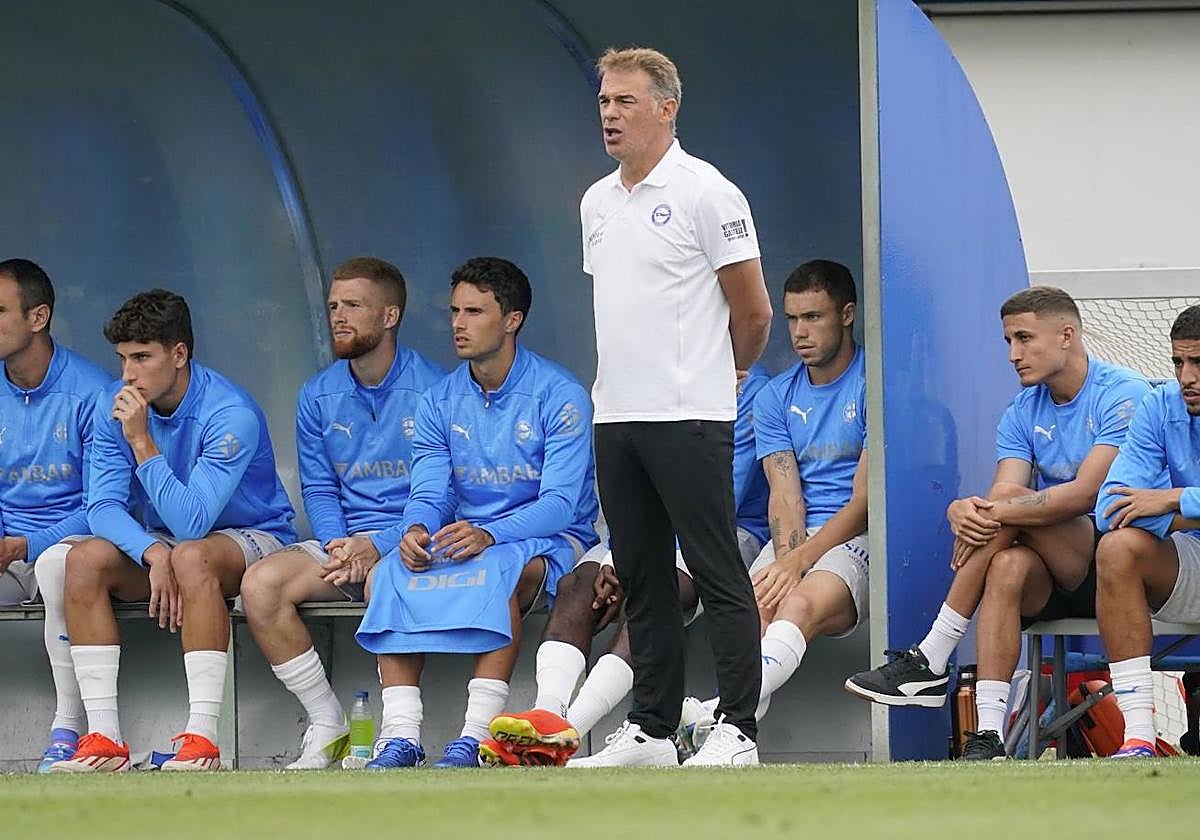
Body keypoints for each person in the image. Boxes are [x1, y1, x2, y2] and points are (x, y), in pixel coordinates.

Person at [845, 286, 1150, 760]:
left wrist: (984, 510)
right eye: (1008, 341)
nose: (1013, 355)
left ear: (1066, 335)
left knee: (1008, 508)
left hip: (1119, 562)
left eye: (1025, 339)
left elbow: (1086, 494)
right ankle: (988, 735)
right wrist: (967, 510)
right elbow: (1003, 494)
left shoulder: (1124, 395)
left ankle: (933, 654)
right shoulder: (1022, 410)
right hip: (1054, 570)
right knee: (1005, 564)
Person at [579, 46, 773, 768]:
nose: (609, 113)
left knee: (717, 571)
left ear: (667, 108)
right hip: (616, 417)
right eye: (604, 101)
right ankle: (653, 731)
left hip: (690, 414)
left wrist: (730, 372)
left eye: (625, 101)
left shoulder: (707, 192)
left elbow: (751, 311)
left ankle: (739, 729)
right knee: (641, 577)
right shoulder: (596, 201)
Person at [352, 257, 599, 769]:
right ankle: (400, 735)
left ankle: (476, 736)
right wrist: (418, 527)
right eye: (454, 311)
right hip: (469, 535)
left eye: (474, 311)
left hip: (550, 536)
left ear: (512, 320)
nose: (458, 324)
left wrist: (490, 533)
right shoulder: (440, 399)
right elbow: (430, 489)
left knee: (497, 572)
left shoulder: (560, 394)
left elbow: (559, 505)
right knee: (391, 572)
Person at [49, 290, 296, 773]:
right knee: (83, 561)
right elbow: (100, 506)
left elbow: (193, 522)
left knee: (191, 555)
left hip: (254, 536)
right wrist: (148, 552)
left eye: (142, 357)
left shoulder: (230, 413)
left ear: (179, 354)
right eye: (122, 358)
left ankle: (202, 740)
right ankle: (104, 740)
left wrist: (141, 440)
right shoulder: (113, 404)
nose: (128, 375)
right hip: (168, 544)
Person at [482, 364, 771, 766]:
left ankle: (564, 736)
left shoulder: (754, 395)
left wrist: (633, 559)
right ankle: (548, 712)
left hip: (722, 536)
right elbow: (637, 491)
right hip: (644, 534)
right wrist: (617, 556)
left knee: (656, 584)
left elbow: (710, 505)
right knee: (579, 585)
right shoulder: (654, 386)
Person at [239, 257, 443, 769]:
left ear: (390, 315)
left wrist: (379, 543)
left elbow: (442, 495)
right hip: (344, 546)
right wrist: (337, 546)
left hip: (411, 542)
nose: (339, 316)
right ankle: (326, 721)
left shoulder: (437, 390)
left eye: (353, 305)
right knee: (259, 585)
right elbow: (320, 486)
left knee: (385, 581)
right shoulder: (316, 394)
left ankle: (400, 734)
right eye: (333, 306)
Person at [669, 260, 867, 763]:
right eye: (793, 319)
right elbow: (785, 491)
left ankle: (720, 717)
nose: (800, 333)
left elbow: (865, 504)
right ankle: (736, 743)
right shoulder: (777, 394)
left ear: (847, 315)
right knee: (751, 607)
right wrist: (785, 560)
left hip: (858, 538)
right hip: (800, 540)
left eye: (814, 318)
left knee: (797, 605)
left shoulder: (874, 382)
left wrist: (799, 564)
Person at [0, 259, 109, 772]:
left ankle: (68, 728)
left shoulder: (92, 390)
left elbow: (107, 506)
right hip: (7, 553)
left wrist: (25, 544)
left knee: (57, 565)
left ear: (38, 316)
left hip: (72, 546)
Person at [1093, 305, 1200, 758]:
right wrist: (1184, 517)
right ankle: (1138, 735)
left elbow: (1154, 500)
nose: (1186, 377)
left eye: (1198, 362)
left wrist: (1175, 498)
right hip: (1190, 559)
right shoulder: (1159, 405)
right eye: (1179, 362)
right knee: (1117, 548)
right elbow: (1108, 505)